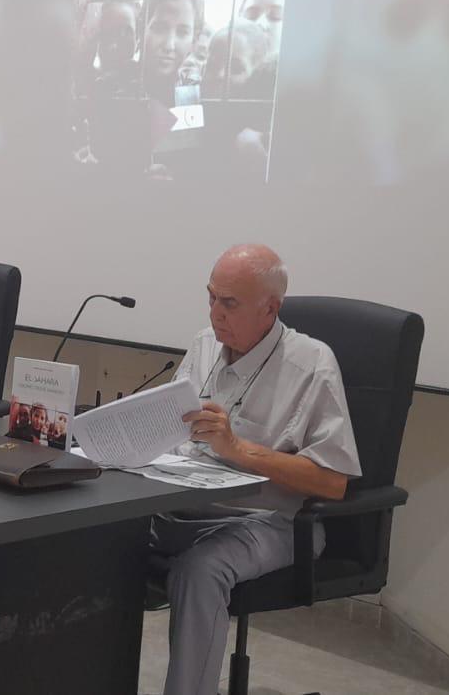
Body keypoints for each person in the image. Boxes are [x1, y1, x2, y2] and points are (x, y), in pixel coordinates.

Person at [153, 244, 359, 695]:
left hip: (272, 521)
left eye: (229, 303)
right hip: (186, 505)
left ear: (271, 308)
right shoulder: (203, 346)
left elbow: (333, 481)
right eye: (210, 297)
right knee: (95, 538)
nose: (215, 314)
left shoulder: (311, 364)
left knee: (200, 569)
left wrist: (239, 449)